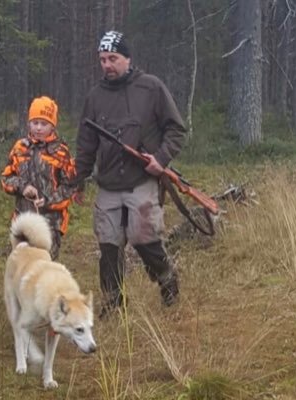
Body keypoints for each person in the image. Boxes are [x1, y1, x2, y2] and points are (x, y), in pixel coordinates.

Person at [72, 31, 186, 319]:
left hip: (142, 181)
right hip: (108, 183)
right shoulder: (95, 97)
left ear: (128, 58)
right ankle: (113, 303)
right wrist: (79, 181)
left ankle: (167, 280)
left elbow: (176, 130)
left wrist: (160, 159)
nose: (107, 65)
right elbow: (86, 144)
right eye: (102, 59)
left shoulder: (151, 88)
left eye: (113, 58)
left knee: (143, 236)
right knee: (109, 244)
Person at [1, 96, 75, 260]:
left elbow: (70, 188)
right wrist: (22, 187)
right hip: (23, 220)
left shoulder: (61, 152)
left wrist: (48, 200)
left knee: (44, 269)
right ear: (29, 123)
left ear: (52, 126)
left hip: (50, 224)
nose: (39, 128)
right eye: (35, 123)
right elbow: (6, 178)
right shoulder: (19, 148)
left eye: (44, 124)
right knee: (21, 266)